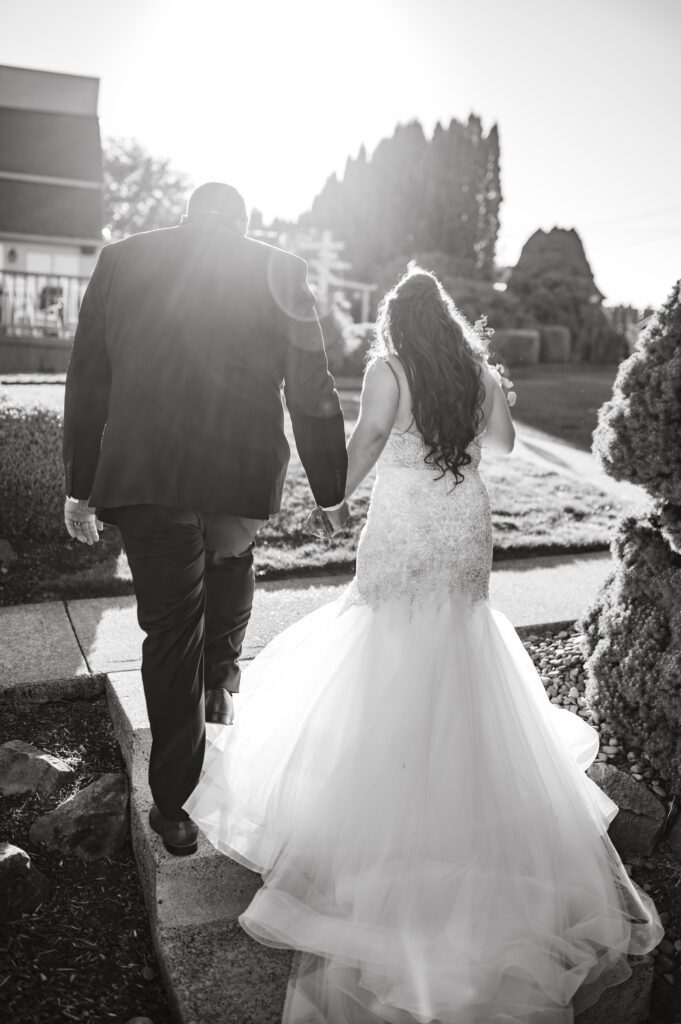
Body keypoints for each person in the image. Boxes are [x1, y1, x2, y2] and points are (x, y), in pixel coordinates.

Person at [184, 266, 663, 1023]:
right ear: (445, 319)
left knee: (383, 649)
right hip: (462, 525)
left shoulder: (387, 368)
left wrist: (335, 496)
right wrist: (488, 396)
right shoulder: (475, 370)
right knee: (456, 651)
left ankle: (376, 818)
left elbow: (371, 434)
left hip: (406, 524)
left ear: (394, 322)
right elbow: (501, 445)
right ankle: (458, 810)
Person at [62, 182, 349, 857]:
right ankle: (218, 691)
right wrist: (329, 489)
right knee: (227, 573)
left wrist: (80, 486)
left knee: (168, 633)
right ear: (243, 223)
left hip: (145, 476)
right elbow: (312, 386)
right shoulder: (279, 269)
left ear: (185, 215)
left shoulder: (122, 259)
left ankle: (173, 810)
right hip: (237, 479)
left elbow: (88, 376)